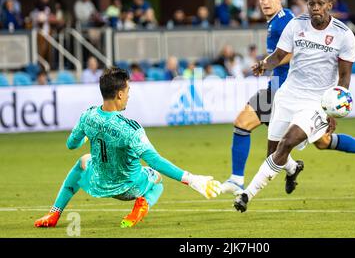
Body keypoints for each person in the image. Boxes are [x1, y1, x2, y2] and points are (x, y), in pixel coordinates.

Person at [233, 0, 355, 212]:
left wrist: (331, 110)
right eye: (311, 3)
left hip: (316, 101)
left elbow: (344, 77)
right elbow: (278, 55)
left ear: (329, 5)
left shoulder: (343, 35)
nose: (315, 8)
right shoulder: (296, 25)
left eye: (320, 3)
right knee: (275, 152)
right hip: (288, 94)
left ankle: (246, 194)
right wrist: (263, 65)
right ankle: (294, 169)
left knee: (288, 143)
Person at [34, 68, 221, 228]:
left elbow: (70, 144)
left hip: (98, 183)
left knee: (82, 161)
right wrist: (192, 179)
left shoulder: (87, 117)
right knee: (157, 179)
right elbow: (154, 160)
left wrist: (86, 136)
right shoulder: (130, 128)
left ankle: (54, 214)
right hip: (128, 189)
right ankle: (140, 208)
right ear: (120, 94)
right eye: (128, 90)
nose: (129, 95)